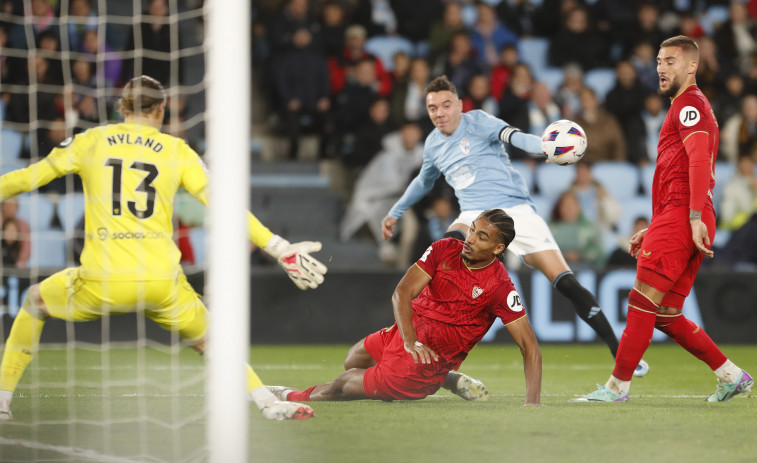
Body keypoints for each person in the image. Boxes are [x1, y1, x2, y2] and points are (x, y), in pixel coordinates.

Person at [0, 76, 328, 421]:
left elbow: (27, 178)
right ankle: (267, 402)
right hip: (161, 281)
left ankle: (2, 401)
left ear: (122, 107)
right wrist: (277, 246)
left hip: (102, 279)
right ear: (162, 109)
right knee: (212, 341)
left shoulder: (91, 141)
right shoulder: (177, 151)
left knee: (35, 301)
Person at [380, 75, 648, 377]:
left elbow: (514, 136)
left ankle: (621, 353)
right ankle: (423, 351)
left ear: (459, 105)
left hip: (518, 211)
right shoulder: (432, 144)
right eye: (432, 108)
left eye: (445, 105)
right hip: (474, 215)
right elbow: (423, 181)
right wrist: (396, 211)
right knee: (444, 257)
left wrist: (547, 147)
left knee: (568, 285)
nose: (439, 113)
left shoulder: (478, 121)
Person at [576, 36, 753, 403]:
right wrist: (658, 225)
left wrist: (687, 218)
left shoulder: (689, 104)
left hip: (684, 214)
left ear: (692, 66)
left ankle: (616, 388)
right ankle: (731, 375)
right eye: (658, 60)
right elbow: (680, 171)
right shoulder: (688, 105)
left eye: (670, 60)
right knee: (666, 313)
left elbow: (700, 160)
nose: (660, 67)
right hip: (683, 215)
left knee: (642, 301)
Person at [268, 210, 542, 405]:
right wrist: (409, 338)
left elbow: (529, 345)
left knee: (342, 385)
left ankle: (284, 395)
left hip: (420, 366)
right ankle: (446, 379)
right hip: (408, 337)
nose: (470, 238)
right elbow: (403, 292)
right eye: (472, 229)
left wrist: (532, 403)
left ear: (497, 248)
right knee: (354, 360)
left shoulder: (500, 286)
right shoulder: (445, 248)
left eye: (481, 237)